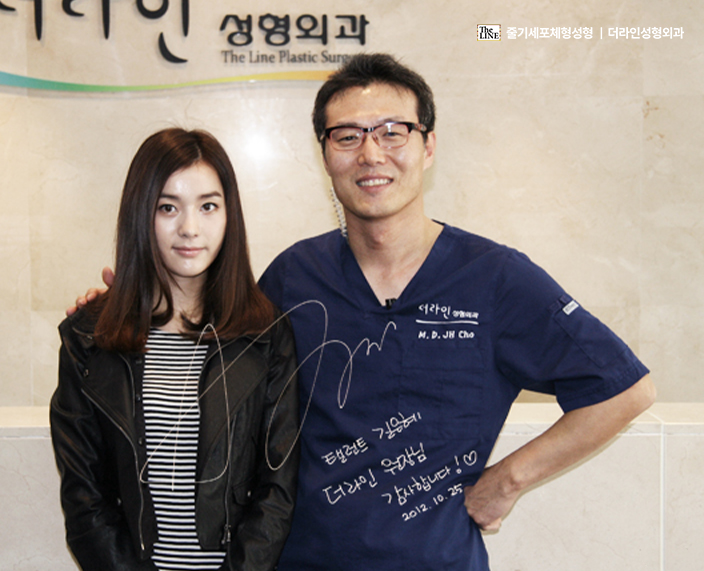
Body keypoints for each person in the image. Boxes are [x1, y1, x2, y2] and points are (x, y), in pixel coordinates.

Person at [71, 55, 656, 570]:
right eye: (347, 136)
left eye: (393, 131)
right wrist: (134, 303)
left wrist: (506, 482)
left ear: (428, 146)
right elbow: (215, 352)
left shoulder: (495, 278)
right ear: (325, 154)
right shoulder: (293, 277)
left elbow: (625, 390)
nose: (371, 153)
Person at [51, 128, 300, 571]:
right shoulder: (89, 338)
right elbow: (84, 498)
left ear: (229, 214)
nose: (189, 228)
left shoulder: (266, 336)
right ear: (140, 214)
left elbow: (276, 491)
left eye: (208, 206)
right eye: (168, 207)